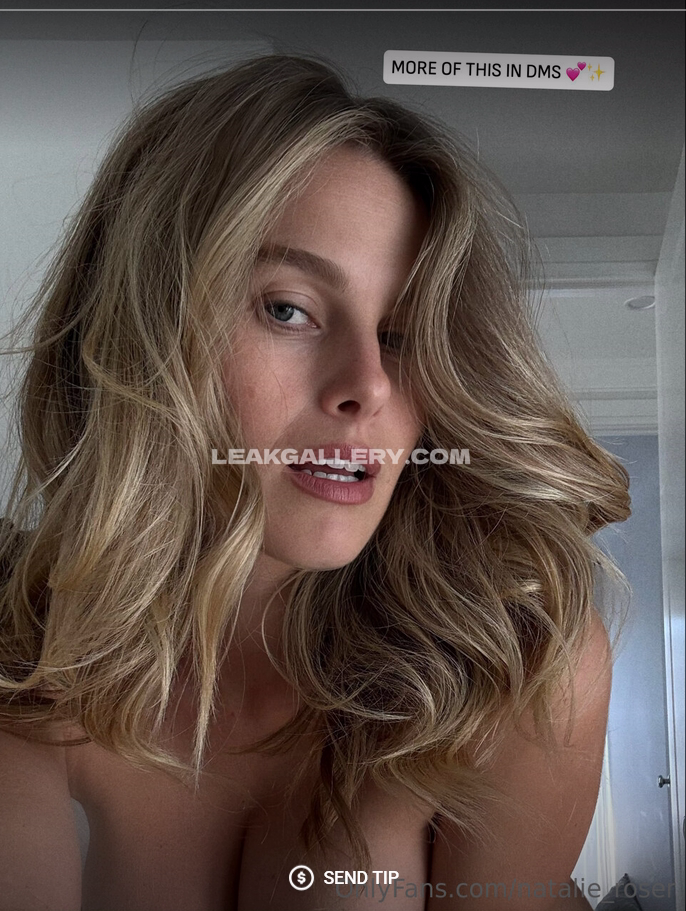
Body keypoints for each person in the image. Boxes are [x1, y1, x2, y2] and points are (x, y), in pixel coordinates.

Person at [0, 54, 631, 910]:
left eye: (401, 335)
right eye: (288, 309)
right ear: (143, 321)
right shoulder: (19, 653)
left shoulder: (516, 667)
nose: (367, 386)